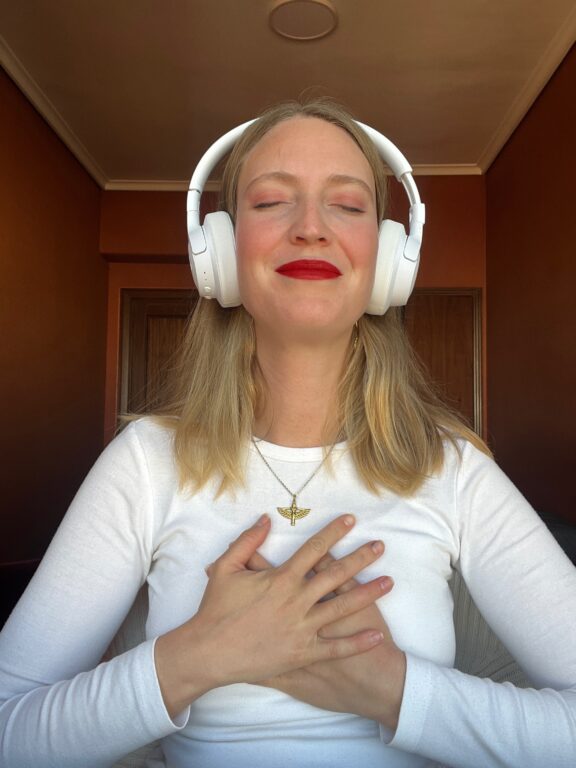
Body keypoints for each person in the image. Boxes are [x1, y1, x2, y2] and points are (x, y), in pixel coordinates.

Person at [0, 99, 575, 768]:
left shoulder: (453, 470)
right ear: (220, 250)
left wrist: (395, 691)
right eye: (273, 201)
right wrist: (198, 656)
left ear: (390, 259)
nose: (310, 228)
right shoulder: (146, 462)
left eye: (348, 205)